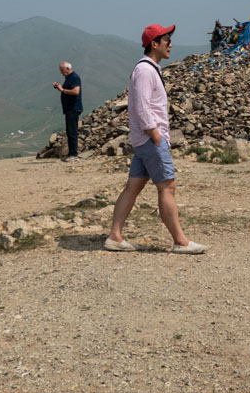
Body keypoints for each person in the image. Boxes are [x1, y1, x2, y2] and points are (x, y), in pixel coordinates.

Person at [105, 24, 206, 254]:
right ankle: (180, 241)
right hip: (150, 140)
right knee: (167, 186)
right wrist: (154, 133)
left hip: (144, 140)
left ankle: (114, 236)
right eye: (167, 41)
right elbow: (142, 106)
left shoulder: (150, 69)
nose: (170, 45)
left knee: (133, 187)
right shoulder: (145, 70)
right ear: (154, 44)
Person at [53, 62, 83, 162]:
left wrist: (62, 90)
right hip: (69, 109)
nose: (61, 73)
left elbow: (76, 91)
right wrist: (59, 87)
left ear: (67, 68)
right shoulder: (69, 78)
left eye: (62, 71)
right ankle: (71, 153)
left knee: (72, 131)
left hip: (73, 108)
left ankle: (74, 154)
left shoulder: (74, 77)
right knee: (70, 131)